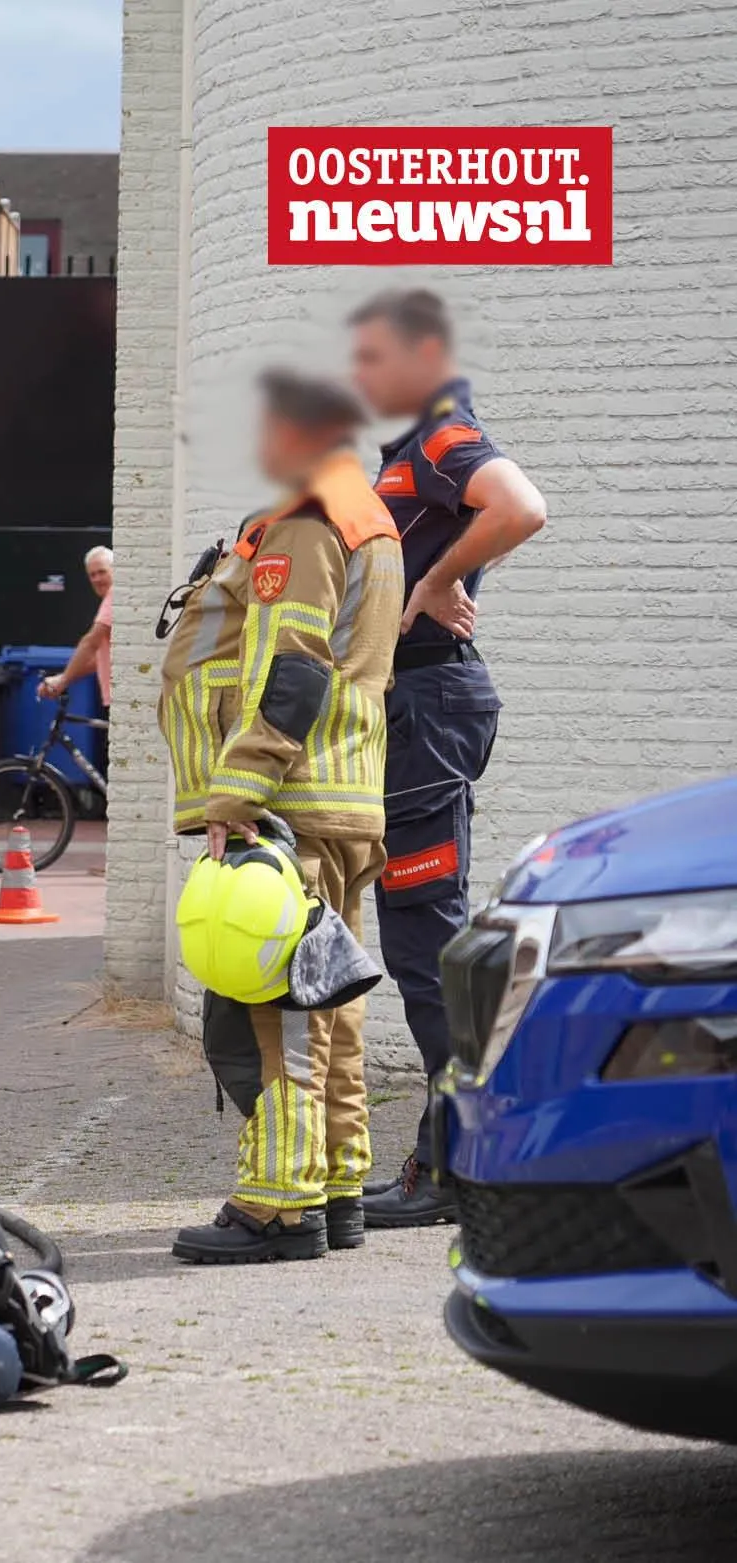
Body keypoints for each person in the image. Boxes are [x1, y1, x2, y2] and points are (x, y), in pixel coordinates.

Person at [158, 369, 403, 1264]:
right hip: (338, 796)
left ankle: (278, 1208)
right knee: (328, 1003)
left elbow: (289, 668)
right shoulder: (365, 515)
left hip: (288, 801)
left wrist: (238, 788)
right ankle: (337, 1187)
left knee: (283, 1014)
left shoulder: (304, 523)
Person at [346, 289, 546, 1230]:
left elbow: (521, 506)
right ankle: (465, 1155)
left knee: (427, 946)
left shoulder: (440, 435)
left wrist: (436, 580)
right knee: (428, 941)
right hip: (414, 705)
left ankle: (458, 1167)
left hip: (428, 705)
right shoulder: (405, 451)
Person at [40, 545, 115, 703]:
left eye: (102, 572)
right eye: (92, 575)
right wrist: (65, 677)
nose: (96, 579)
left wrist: (63, 681)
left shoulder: (115, 595)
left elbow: (91, 642)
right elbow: (98, 660)